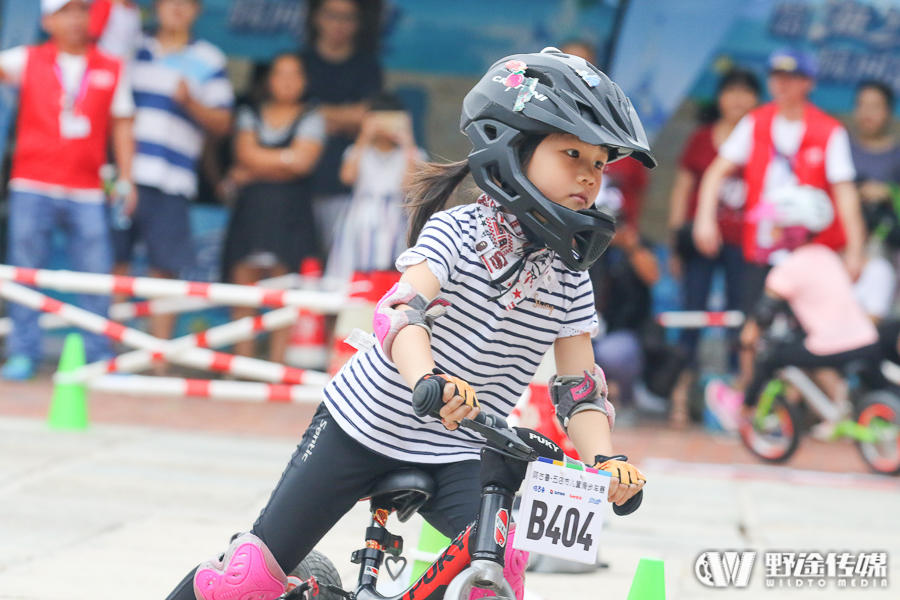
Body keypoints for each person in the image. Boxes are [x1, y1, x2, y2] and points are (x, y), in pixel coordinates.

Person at [164, 48, 651, 600]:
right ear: (515, 148)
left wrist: (605, 460)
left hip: (461, 451)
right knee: (247, 581)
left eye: (600, 163)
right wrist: (428, 379)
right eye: (572, 154)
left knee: (496, 577)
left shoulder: (570, 277)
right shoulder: (458, 231)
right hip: (362, 427)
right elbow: (400, 313)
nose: (589, 177)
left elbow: (579, 389)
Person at [694, 48, 866, 392]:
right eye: (776, 77)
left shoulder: (828, 130)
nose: (781, 85)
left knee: (812, 330)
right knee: (751, 326)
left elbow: (846, 194)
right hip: (762, 248)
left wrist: (856, 250)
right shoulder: (756, 122)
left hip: (810, 252)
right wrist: (704, 219)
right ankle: (750, 401)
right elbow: (716, 172)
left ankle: (807, 407)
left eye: (791, 78)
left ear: (808, 83)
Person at [0, 0, 135, 380]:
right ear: (47, 20)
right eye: (67, 11)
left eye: (82, 10)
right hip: (32, 182)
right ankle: (22, 354)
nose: (77, 18)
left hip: (88, 187)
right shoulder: (26, 59)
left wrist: (126, 178)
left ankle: (99, 356)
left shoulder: (111, 65)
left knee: (95, 275)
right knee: (25, 274)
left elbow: (123, 125)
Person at [706, 186, 881, 432]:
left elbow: (764, 314)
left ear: (791, 229)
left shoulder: (787, 269)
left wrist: (749, 336)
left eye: (776, 225)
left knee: (770, 358)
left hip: (830, 347)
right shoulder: (827, 256)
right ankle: (839, 412)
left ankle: (743, 409)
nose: (771, 232)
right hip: (865, 339)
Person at [115, 0, 234, 350]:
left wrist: (191, 103)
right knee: (115, 264)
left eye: (188, 3)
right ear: (158, 7)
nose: (178, 8)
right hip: (124, 176)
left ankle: (156, 357)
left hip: (173, 178)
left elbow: (224, 123)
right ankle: (106, 351)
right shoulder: (132, 47)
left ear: (197, 11)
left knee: (163, 270)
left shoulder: (210, 59)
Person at [220, 53, 325, 362]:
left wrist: (254, 168)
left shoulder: (312, 116)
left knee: (285, 292)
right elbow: (243, 154)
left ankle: (277, 369)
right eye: (281, 74)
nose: (287, 81)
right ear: (270, 80)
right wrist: (286, 159)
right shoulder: (251, 112)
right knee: (243, 290)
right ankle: (242, 368)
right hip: (251, 212)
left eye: (295, 75)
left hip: (290, 214)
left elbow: (304, 163)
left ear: (304, 81)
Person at [669, 69, 760, 385]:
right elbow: (682, 189)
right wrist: (675, 241)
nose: (737, 99)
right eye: (730, 91)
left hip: (743, 242)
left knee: (741, 313)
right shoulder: (701, 137)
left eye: (746, 91)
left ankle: (738, 388)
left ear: (756, 99)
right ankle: (680, 389)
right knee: (692, 310)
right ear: (719, 98)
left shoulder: (762, 140)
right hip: (700, 237)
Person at [302, 0, 383, 258]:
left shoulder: (367, 67)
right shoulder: (300, 62)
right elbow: (289, 113)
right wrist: (346, 116)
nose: (339, 24)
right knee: (303, 267)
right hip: (299, 181)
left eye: (347, 18)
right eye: (332, 15)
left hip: (346, 184)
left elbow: (368, 117)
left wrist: (313, 113)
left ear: (358, 24)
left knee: (340, 267)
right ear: (316, 18)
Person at [325, 93, 426, 280]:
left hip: (397, 218)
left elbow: (410, 186)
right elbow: (347, 177)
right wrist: (364, 136)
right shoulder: (357, 151)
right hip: (360, 216)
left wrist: (407, 140)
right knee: (352, 271)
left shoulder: (413, 153)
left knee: (392, 272)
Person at [849, 81, 900, 320]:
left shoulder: (896, 154)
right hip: (845, 244)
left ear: (888, 111)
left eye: (875, 106)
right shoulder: (841, 145)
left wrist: (889, 192)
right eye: (862, 105)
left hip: (888, 246)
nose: (867, 113)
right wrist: (855, 193)